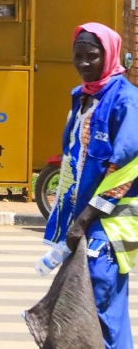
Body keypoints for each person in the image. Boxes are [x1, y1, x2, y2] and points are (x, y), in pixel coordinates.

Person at [44, 23, 138, 349]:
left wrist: (84, 220)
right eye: (78, 55)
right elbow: (74, 160)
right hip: (84, 223)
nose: (84, 63)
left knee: (99, 311)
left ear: (109, 55)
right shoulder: (83, 97)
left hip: (109, 227)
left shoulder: (125, 101)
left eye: (92, 56)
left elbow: (124, 172)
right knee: (97, 313)